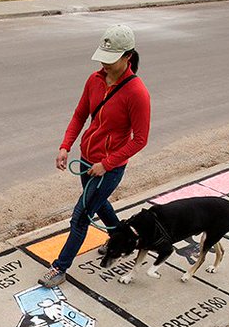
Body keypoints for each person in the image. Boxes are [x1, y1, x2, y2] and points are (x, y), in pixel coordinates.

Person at [39, 24, 151, 288]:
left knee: (80, 215)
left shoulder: (137, 93)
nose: (105, 64)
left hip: (108, 168)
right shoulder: (95, 80)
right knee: (99, 205)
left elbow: (141, 139)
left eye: (111, 61)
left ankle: (60, 267)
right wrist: (66, 145)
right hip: (87, 161)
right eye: (103, 57)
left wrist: (107, 164)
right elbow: (80, 115)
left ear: (128, 57)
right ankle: (121, 239)